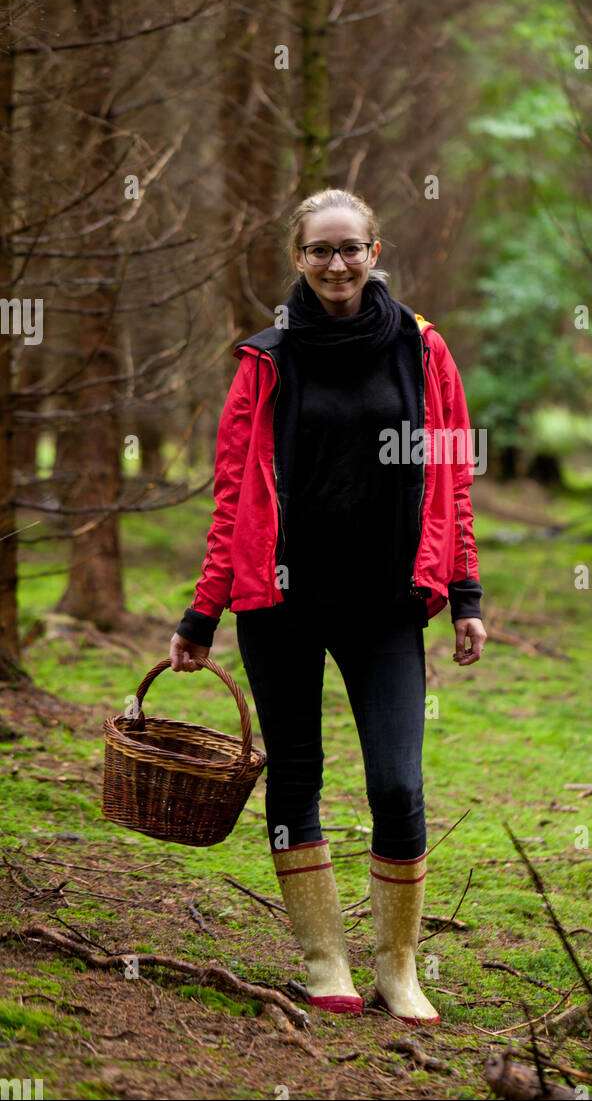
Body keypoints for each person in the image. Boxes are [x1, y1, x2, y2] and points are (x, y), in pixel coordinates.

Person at [168, 187, 486, 1024]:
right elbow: (232, 493)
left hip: (385, 605)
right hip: (279, 604)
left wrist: (465, 593)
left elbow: (453, 480)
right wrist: (203, 614)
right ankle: (324, 961)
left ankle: (399, 967)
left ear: (375, 253)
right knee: (297, 776)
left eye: (351, 248)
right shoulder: (266, 361)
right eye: (320, 250)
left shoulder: (424, 353)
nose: (337, 263)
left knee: (397, 785)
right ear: (298, 259)